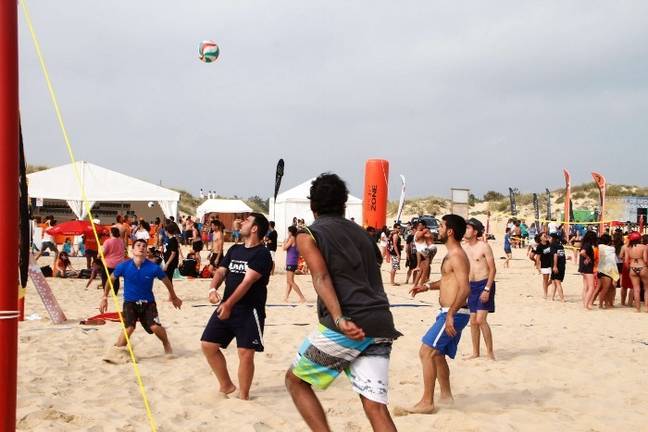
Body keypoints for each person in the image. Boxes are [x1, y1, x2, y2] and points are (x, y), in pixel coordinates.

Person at [285, 173, 401, 431]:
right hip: (381, 322)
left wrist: (339, 317)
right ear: (344, 204)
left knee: (296, 381)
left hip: (347, 325)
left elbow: (321, 276)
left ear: (313, 206)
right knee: (375, 407)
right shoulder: (363, 235)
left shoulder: (308, 234)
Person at [201, 213, 272, 400]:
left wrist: (229, 304)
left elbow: (247, 282)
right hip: (227, 305)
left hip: (250, 310)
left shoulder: (262, 254)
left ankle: (244, 396)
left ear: (255, 228)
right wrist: (212, 289)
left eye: (247, 221)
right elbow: (221, 271)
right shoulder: (235, 249)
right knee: (208, 345)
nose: (241, 222)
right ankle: (226, 385)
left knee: (245, 353)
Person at [404, 214, 471, 414]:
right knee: (438, 355)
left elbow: (465, 288)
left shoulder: (457, 255)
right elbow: (448, 282)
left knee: (426, 352)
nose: (438, 229)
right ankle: (446, 397)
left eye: (441, 226)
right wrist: (426, 287)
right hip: (450, 312)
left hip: (454, 313)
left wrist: (451, 314)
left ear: (450, 231)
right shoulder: (451, 255)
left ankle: (427, 402)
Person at [99, 239, 182, 361]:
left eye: (144, 246)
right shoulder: (124, 266)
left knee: (155, 327)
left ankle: (166, 344)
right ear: (133, 250)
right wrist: (104, 297)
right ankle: (116, 351)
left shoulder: (153, 268)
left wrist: (174, 297)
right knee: (129, 328)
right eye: (138, 245)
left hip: (148, 303)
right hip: (130, 302)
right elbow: (111, 279)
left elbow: (166, 281)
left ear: (146, 251)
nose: (141, 247)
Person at [463, 218, 496, 360]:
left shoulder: (484, 246)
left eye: (468, 228)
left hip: (484, 283)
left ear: (475, 231)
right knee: (473, 321)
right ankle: (475, 352)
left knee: (481, 319)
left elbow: (493, 269)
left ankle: (490, 352)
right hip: (471, 286)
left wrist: (487, 289)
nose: (465, 230)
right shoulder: (463, 247)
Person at [625, 231, 647, 312]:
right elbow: (645, 259)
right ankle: (647, 307)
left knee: (636, 289)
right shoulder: (644, 247)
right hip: (642, 266)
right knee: (646, 289)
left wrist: (628, 269)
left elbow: (626, 261)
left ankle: (638, 309)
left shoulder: (628, 248)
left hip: (632, 268)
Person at [283, 225, 306, 302]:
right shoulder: (297, 239)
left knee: (290, 281)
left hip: (291, 261)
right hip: (294, 261)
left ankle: (302, 297)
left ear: (290, 232)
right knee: (289, 281)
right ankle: (286, 298)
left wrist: (286, 240)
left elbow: (284, 248)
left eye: (288, 231)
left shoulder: (292, 239)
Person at [100, 227, 126, 294]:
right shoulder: (121, 241)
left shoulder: (108, 241)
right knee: (116, 278)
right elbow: (123, 251)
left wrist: (99, 255)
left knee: (105, 278)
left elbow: (104, 252)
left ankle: (106, 292)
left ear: (111, 233)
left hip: (109, 263)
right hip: (119, 263)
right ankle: (115, 292)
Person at [597, 233, 619, 308]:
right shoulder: (611, 249)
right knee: (607, 289)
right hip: (607, 270)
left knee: (603, 289)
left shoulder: (598, 247)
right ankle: (603, 304)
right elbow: (612, 261)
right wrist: (615, 274)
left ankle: (605, 303)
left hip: (600, 269)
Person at [580, 230, 599, 309]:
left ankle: (585, 303)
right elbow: (582, 252)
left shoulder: (584, 244)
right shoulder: (588, 245)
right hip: (587, 268)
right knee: (591, 287)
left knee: (586, 286)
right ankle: (586, 305)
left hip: (583, 267)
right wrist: (588, 258)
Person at [534, 233, 553, 298]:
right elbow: (538, 258)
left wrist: (550, 240)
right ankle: (545, 293)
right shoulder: (539, 246)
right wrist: (538, 267)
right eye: (544, 235)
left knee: (553, 278)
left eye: (546, 235)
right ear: (540, 238)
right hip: (544, 264)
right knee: (545, 279)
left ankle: (546, 286)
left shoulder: (549, 243)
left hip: (552, 263)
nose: (545, 236)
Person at [549, 233, 566, 302]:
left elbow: (555, 255)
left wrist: (555, 266)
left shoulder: (553, 245)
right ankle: (552, 298)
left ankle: (562, 299)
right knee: (553, 281)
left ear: (553, 238)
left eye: (550, 238)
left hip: (557, 265)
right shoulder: (560, 245)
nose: (549, 239)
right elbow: (561, 255)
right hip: (562, 265)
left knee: (557, 282)